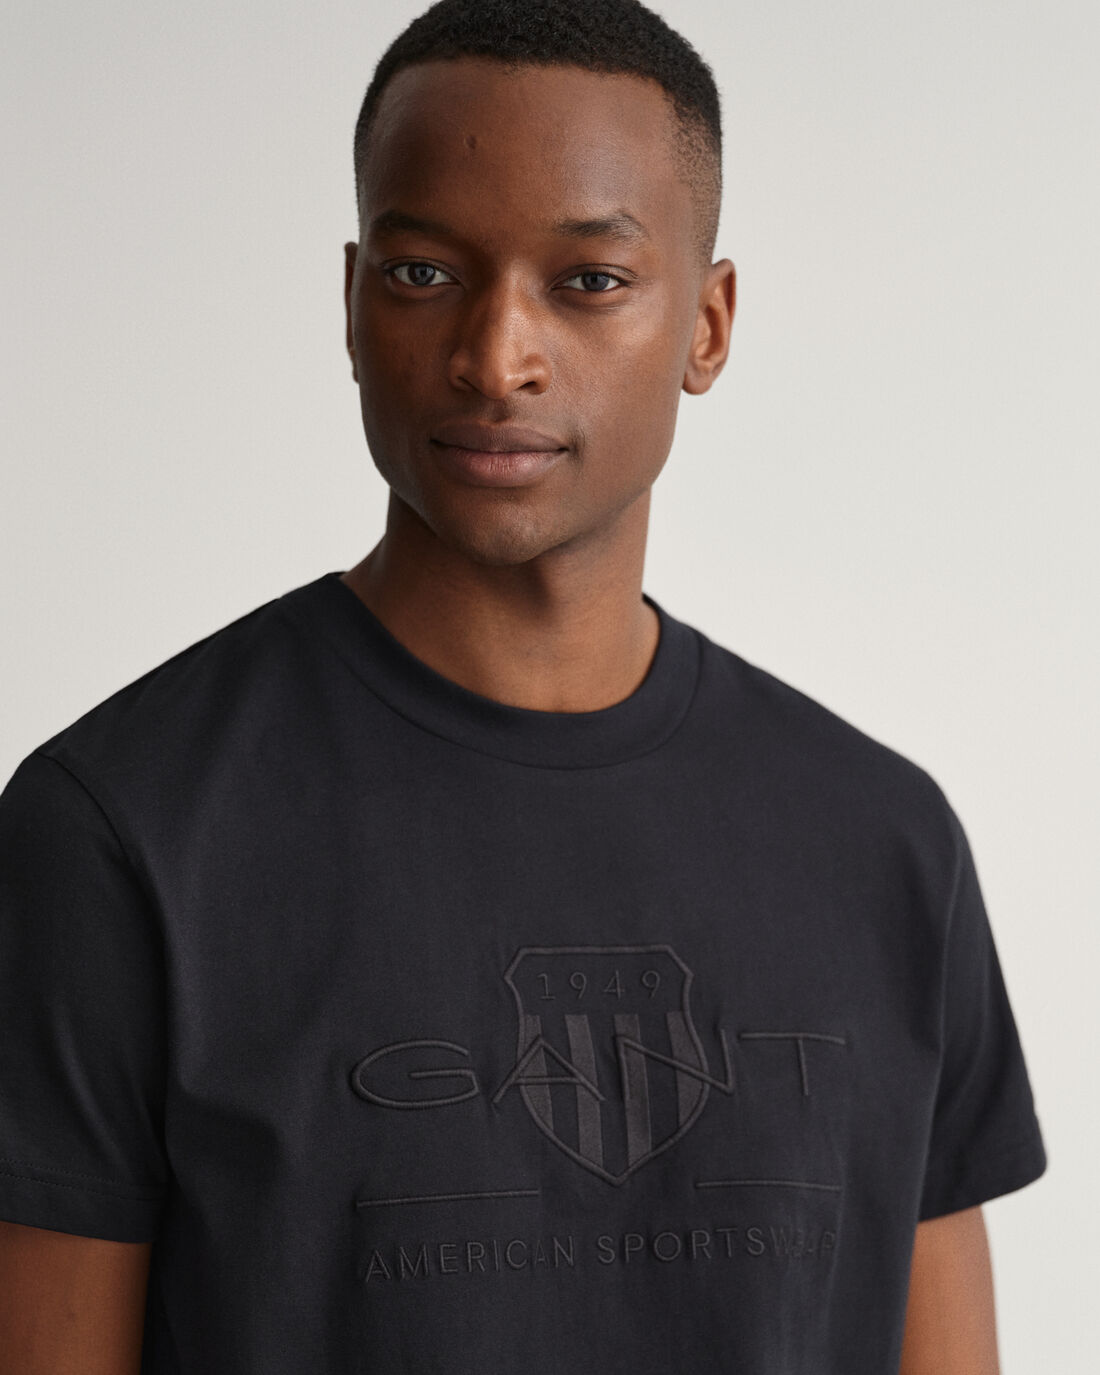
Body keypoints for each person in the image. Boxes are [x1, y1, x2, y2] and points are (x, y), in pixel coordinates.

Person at [0, 0, 1047, 1370]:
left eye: (589, 280)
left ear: (708, 325)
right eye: (423, 272)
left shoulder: (883, 843)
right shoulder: (122, 830)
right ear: (351, 305)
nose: (497, 357)